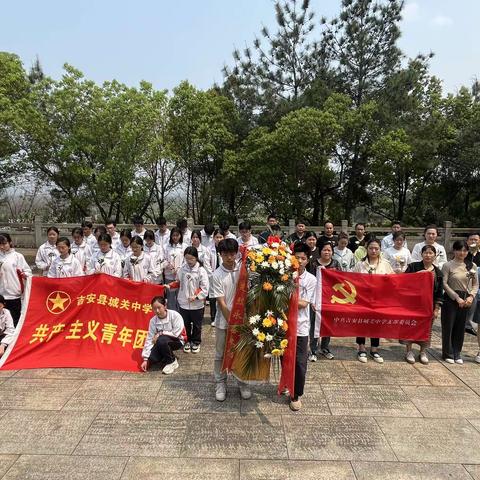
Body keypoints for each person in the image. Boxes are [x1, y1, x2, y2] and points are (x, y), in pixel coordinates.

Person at [211, 238, 251, 402]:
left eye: (232, 253)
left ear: (237, 253)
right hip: (224, 322)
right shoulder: (216, 275)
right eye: (225, 253)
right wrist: (232, 323)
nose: (229, 257)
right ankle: (220, 382)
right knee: (220, 353)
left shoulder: (243, 271)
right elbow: (220, 303)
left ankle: (242, 382)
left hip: (243, 320)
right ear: (220, 255)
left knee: (241, 352)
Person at [354, 237, 394, 363]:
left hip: (379, 299)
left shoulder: (385, 264)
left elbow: (393, 281)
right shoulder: (360, 264)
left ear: (380, 250)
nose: (373, 250)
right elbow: (353, 280)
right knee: (362, 322)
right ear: (366, 249)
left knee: (376, 322)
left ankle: (374, 349)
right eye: (371, 248)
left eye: (376, 248)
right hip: (363, 299)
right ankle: (361, 347)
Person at [403, 245, 443, 364]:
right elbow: (403, 282)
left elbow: (439, 293)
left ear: (435, 255)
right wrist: (418, 275)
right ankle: (409, 351)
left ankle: (423, 351)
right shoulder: (413, 266)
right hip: (412, 304)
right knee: (410, 326)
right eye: (426, 252)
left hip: (428, 305)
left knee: (426, 329)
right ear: (421, 254)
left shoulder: (438, 272)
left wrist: (436, 309)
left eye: (431, 253)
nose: (428, 255)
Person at [289, 242, 317, 411]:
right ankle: (286, 384)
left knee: (300, 361)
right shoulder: (284, 275)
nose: (299, 261)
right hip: (283, 324)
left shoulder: (311, 280)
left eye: (303, 258)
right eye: (296, 257)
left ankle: (296, 393)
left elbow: (303, 304)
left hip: (300, 326)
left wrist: (285, 298)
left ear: (308, 260)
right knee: (285, 358)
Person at [441, 240, 479, 364]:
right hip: (451, 298)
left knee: (460, 326)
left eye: (464, 250)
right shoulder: (448, 265)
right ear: (454, 250)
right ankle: (448, 353)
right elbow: (444, 283)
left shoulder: (471, 266)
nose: (462, 253)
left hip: (466, 299)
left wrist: (471, 296)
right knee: (449, 326)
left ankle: (457, 352)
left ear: (467, 251)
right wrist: (456, 297)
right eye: (459, 250)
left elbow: (475, 284)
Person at [166, 246, 209, 354]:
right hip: (184, 303)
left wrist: (196, 296)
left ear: (196, 258)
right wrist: (170, 286)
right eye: (187, 259)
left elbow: (205, 288)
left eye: (191, 259)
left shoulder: (201, 270)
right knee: (185, 324)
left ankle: (196, 342)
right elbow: (178, 282)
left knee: (197, 325)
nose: (189, 261)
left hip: (197, 304)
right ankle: (187, 341)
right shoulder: (182, 269)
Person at [307, 241, 340, 362]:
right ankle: (313, 349)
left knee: (328, 324)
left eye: (329, 250)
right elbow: (309, 282)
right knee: (314, 324)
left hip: (331, 299)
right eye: (325, 250)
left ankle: (325, 348)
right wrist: (311, 301)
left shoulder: (336, 263)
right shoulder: (313, 263)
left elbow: (340, 280)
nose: (327, 252)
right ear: (320, 251)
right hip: (316, 298)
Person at [141, 295, 186, 374]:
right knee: (153, 357)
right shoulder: (153, 321)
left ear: (165, 306)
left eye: (159, 307)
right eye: (154, 309)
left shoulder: (175, 315)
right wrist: (145, 359)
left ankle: (171, 362)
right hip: (162, 342)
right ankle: (168, 355)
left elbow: (176, 333)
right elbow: (150, 338)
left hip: (178, 340)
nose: (157, 311)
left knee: (162, 340)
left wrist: (160, 333)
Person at [0, 233, 32, 326]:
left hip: (14, 294)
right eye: (0, 244)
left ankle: (13, 339)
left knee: (15, 320)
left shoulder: (18, 256)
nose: (2, 246)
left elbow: (28, 271)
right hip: (1, 294)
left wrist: (24, 274)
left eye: (4, 243)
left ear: (10, 242)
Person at [162, 227, 187, 310]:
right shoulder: (166, 247)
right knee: (171, 297)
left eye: (177, 235)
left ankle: (181, 315)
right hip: (169, 275)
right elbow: (162, 260)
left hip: (181, 276)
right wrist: (168, 265)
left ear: (180, 236)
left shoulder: (184, 246)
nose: (175, 237)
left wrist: (179, 269)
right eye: (173, 235)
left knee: (180, 296)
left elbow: (186, 260)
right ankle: (172, 314)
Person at [465, 232, 480, 336]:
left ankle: (470, 325)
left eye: (476, 240)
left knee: (475, 303)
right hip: (465, 281)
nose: (473, 241)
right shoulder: (464, 252)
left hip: (477, 282)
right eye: (471, 239)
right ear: (467, 241)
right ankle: (464, 324)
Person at [208, 229, 224, 326]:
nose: (218, 239)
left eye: (220, 237)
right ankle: (213, 317)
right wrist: (213, 275)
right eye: (217, 237)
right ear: (213, 238)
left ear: (223, 237)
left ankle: (222, 316)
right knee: (213, 299)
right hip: (212, 276)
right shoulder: (209, 249)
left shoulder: (225, 248)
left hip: (223, 276)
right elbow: (207, 263)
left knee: (222, 297)